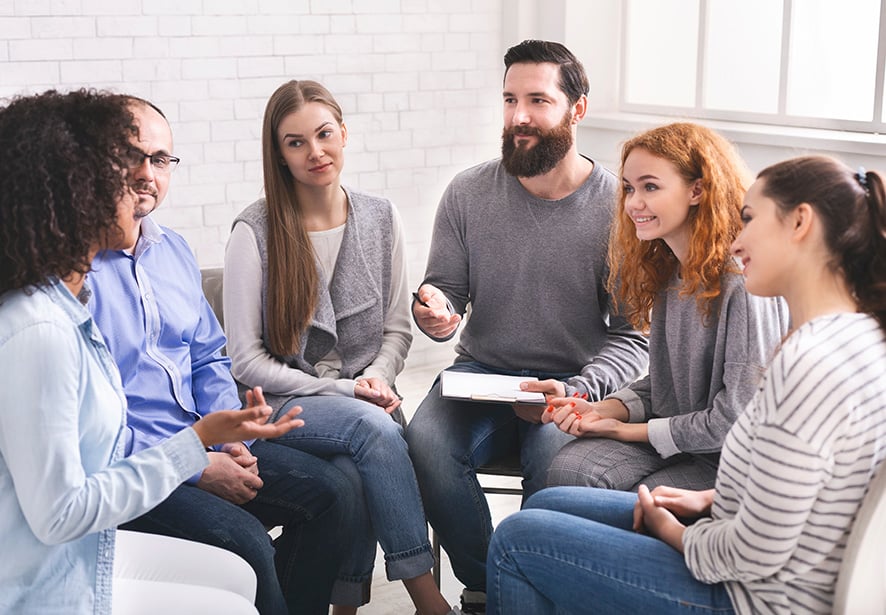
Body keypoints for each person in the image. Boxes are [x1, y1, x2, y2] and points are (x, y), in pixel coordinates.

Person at [486, 155, 886, 614]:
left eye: (751, 219)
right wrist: (707, 499)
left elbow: (750, 554)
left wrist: (671, 530)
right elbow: (804, 487)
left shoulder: (809, 363)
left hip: (752, 598)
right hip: (755, 553)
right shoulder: (858, 332)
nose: (738, 239)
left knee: (517, 540)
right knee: (554, 501)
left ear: (800, 222)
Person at [0, 89, 303, 614]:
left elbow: (206, 358)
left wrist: (209, 433)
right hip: (49, 584)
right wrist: (196, 447)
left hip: (81, 551)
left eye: (156, 161)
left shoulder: (70, 307)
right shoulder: (40, 330)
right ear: (72, 192)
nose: (142, 183)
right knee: (237, 588)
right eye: (119, 168)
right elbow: (61, 513)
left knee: (237, 574)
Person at [405, 39, 649, 613]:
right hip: (481, 374)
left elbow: (635, 335)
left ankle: (536, 584)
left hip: (571, 380)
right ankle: (490, 586)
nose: (519, 116)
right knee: (424, 443)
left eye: (538, 99)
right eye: (510, 99)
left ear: (577, 109)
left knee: (556, 463)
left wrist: (581, 388)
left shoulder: (619, 207)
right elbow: (448, 299)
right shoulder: (467, 192)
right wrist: (435, 314)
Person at [87, 96, 352, 615]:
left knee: (334, 493)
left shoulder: (174, 251)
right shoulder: (72, 274)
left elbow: (208, 356)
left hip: (203, 439)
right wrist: (194, 463)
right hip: (131, 469)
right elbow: (92, 427)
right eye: (131, 155)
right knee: (246, 542)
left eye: (160, 160)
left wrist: (223, 435)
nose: (148, 173)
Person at [223, 80, 458, 615]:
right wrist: (346, 389)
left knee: (356, 466)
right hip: (283, 400)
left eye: (324, 134)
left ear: (344, 134)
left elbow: (398, 329)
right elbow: (246, 361)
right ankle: (428, 599)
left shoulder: (381, 217)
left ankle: (344, 606)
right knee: (373, 429)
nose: (315, 152)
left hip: (364, 395)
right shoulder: (254, 231)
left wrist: (375, 376)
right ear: (278, 154)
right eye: (295, 142)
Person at [544, 122, 788, 491]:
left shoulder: (743, 283)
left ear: (697, 190)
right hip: (684, 443)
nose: (633, 203)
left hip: (735, 461)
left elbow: (735, 418)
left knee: (629, 493)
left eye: (650, 187)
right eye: (628, 188)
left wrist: (627, 432)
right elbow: (666, 388)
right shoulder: (669, 272)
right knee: (570, 468)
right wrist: (602, 409)